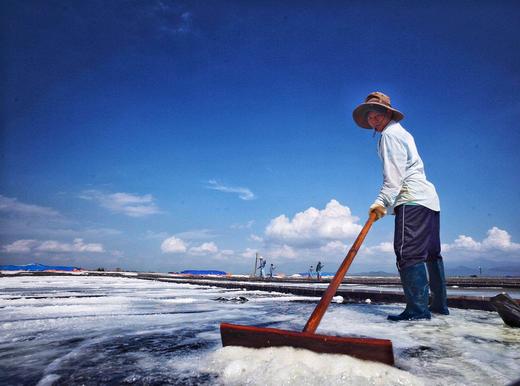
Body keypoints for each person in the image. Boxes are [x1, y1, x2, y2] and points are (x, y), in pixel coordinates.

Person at [352, 91, 449, 321]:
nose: (372, 121)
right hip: (430, 201)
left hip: (412, 199)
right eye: (369, 118)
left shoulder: (390, 135)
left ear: (387, 113)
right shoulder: (402, 133)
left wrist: (381, 202)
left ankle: (417, 311)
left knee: (408, 253)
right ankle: (439, 307)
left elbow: (394, 176)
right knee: (431, 254)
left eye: (376, 116)